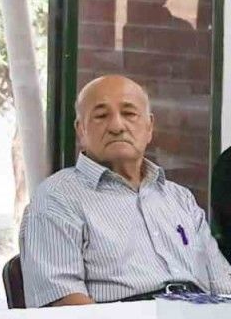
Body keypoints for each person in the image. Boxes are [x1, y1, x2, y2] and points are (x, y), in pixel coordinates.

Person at [20, 74, 231, 306]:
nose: (117, 126)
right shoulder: (57, 197)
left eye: (129, 114)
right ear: (81, 130)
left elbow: (224, 285)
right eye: (101, 116)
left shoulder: (180, 198)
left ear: (149, 127)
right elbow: (63, 302)